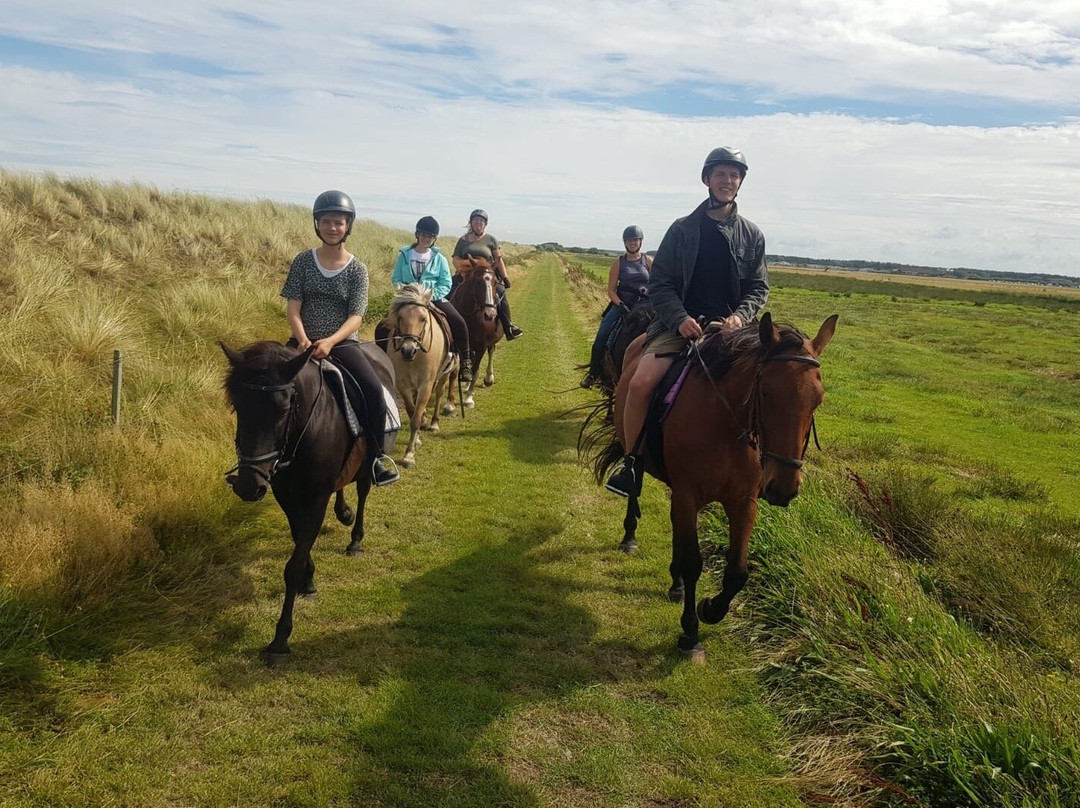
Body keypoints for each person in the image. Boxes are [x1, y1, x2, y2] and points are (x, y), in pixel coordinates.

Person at [605, 147, 769, 497]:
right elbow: (660, 282)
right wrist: (679, 318)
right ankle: (632, 464)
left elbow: (758, 286)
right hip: (679, 326)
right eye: (721, 174)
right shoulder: (682, 229)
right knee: (640, 383)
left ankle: (768, 469)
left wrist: (740, 316)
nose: (728, 180)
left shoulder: (752, 235)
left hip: (732, 331)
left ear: (740, 183)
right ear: (707, 179)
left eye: (734, 175)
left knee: (774, 386)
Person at [281, 190, 400, 486]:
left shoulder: (357, 269)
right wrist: (303, 339)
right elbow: (293, 306)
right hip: (303, 341)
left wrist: (331, 341)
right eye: (326, 221)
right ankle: (257, 458)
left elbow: (356, 316)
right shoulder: (303, 262)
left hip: (343, 343)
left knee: (373, 391)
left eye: (339, 222)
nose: (332, 227)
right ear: (317, 224)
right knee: (265, 388)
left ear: (349, 226)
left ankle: (375, 459)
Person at [385, 216, 474, 383]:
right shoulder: (404, 255)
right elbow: (396, 278)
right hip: (407, 301)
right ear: (417, 235)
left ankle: (465, 362)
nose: (427, 239)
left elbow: (446, 282)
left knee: (459, 322)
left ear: (434, 239)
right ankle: (383, 365)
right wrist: (408, 294)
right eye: (424, 235)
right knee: (383, 327)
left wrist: (430, 297)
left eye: (431, 237)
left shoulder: (439, 259)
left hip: (434, 299)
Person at [580, 225, 653, 388]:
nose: (632, 243)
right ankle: (593, 374)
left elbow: (657, 285)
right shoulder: (619, 263)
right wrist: (620, 304)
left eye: (635, 240)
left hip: (645, 307)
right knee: (602, 336)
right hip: (622, 305)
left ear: (640, 241)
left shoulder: (648, 261)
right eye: (629, 240)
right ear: (625, 243)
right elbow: (611, 290)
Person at [451, 209, 524, 340]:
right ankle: (445, 324)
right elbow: (455, 258)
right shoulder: (463, 240)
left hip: (486, 277)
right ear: (471, 223)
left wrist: (505, 277)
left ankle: (508, 327)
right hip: (467, 276)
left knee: (501, 292)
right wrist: (463, 270)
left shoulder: (491, 239)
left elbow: (498, 259)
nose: (478, 223)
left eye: (481, 221)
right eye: (476, 220)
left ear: (485, 224)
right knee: (449, 290)